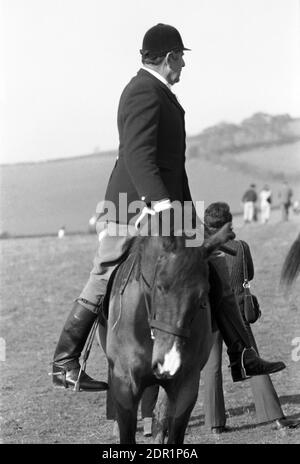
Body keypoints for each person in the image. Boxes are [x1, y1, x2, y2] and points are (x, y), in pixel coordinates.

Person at [51, 23, 285, 392]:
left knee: (213, 266)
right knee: (106, 271)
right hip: (132, 208)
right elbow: (139, 157)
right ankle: (65, 360)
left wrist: (193, 222)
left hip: (166, 206)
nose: (184, 67)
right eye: (181, 59)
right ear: (170, 57)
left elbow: (175, 171)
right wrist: (161, 206)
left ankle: (242, 353)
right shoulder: (142, 92)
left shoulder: (161, 94)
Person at [202, 202, 300, 433]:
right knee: (252, 361)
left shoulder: (202, 251)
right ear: (229, 224)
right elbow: (251, 274)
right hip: (236, 312)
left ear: (206, 226)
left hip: (209, 315)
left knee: (212, 367)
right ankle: (276, 417)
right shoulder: (241, 247)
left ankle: (215, 424)